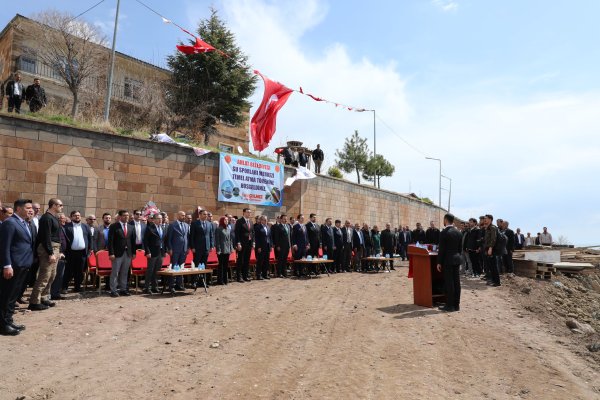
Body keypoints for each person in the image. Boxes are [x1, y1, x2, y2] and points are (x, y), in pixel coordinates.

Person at [0, 199, 34, 335]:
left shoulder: (24, 223)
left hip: (23, 265)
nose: (31, 210)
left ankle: (8, 320)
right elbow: (4, 246)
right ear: (18, 209)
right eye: (28, 208)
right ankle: (3, 325)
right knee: (6, 296)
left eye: (31, 208)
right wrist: (7, 265)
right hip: (13, 266)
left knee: (13, 296)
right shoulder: (10, 223)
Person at [29, 198, 63, 311]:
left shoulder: (54, 217)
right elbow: (46, 237)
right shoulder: (46, 218)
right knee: (44, 275)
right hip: (48, 249)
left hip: (55, 248)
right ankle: (34, 301)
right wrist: (50, 252)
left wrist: (58, 251)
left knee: (52, 275)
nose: (62, 207)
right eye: (60, 205)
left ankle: (44, 297)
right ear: (53, 205)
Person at [436, 213, 463, 312]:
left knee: (449, 283)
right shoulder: (459, 232)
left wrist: (439, 262)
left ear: (445, 220)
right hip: (457, 259)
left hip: (448, 260)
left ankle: (449, 305)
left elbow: (442, 250)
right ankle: (456, 305)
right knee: (457, 282)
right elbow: (460, 249)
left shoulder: (444, 233)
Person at [63, 210, 92, 293]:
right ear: (71, 217)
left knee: (79, 271)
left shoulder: (85, 226)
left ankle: (77, 287)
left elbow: (90, 238)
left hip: (82, 253)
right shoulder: (66, 227)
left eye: (78, 215)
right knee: (68, 271)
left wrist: (90, 249)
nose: (77, 217)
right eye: (75, 215)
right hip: (70, 253)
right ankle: (64, 287)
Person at [108, 209, 135, 297]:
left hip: (128, 253)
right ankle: (113, 290)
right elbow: (110, 241)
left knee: (125, 272)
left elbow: (133, 241)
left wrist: (134, 252)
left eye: (127, 215)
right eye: (124, 215)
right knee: (115, 272)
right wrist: (111, 253)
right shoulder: (114, 226)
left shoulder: (131, 227)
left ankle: (123, 289)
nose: (126, 217)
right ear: (120, 217)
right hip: (117, 253)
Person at [166, 211, 189, 292]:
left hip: (183, 249)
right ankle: (171, 286)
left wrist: (187, 247)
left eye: (184, 215)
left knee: (181, 267)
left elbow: (187, 237)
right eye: (182, 215)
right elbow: (169, 238)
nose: (184, 217)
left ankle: (179, 285)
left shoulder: (186, 225)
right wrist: (170, 249)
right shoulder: (172, 225)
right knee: (174, 267)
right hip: (175, 250)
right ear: (178, 216)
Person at [143, 214, 165, 294]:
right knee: (150, 270)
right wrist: (147, 251)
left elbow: (163, 240)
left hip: (160, 252)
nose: (160, 220)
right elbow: (145, 241)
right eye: (158, 218)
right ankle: (146, 287)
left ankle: (155, 287)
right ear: (154, 220)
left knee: (157, 270)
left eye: (161, 218)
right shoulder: (149, 228)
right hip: (152, 252)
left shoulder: (162, 228)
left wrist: (165, 251)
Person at [235, 208, 253, 282]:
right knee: (240, 260)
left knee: (247, 260)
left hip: (249, 243)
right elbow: (237, 233)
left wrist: (253, 242)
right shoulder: (239, 221)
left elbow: (252, 232)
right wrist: (238, 243)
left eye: (250, 212)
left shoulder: (251, 222)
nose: (249, 214)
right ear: (244, 213)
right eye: (248, 212)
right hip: (242, 244)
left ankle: (245, 276)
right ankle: (239, 277)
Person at [214, 216, 233, 285]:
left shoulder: (228, 228)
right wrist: (218, 250)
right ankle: (220, 280)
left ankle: (225, 280)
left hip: (227, 249)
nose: (227, 221)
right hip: (221, 250)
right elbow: (217, 240)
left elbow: (230, 239)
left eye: (227, 220)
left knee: (226, 265)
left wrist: (231, 248)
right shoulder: (218, 229)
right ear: (222, 221)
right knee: (221, 265)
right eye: (225, 220)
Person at [483, 214, 500, 287]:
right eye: (484, 218)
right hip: (488, 248)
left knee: (493, 266)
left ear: (490, 219)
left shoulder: (492, 227)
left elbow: (493, 239)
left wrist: (490, 248)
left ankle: (497, 282)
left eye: (486, 218)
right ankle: (493, 280)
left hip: (492, 248)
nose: (484, 220)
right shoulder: (488, 227)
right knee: (490, 265)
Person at [254, 215, 272, 280]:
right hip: (261, 247)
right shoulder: (258, 227)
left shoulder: (268, 227)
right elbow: (256, 238)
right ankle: (258, 275)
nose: (266, 221)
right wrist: (258, 247)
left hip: (267, 246)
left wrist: (271, 246)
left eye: (266, 220)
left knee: (266, 261)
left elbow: (270, 237)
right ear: (261, 220)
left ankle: (265, 274)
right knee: (260, 261)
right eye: (264, 220)